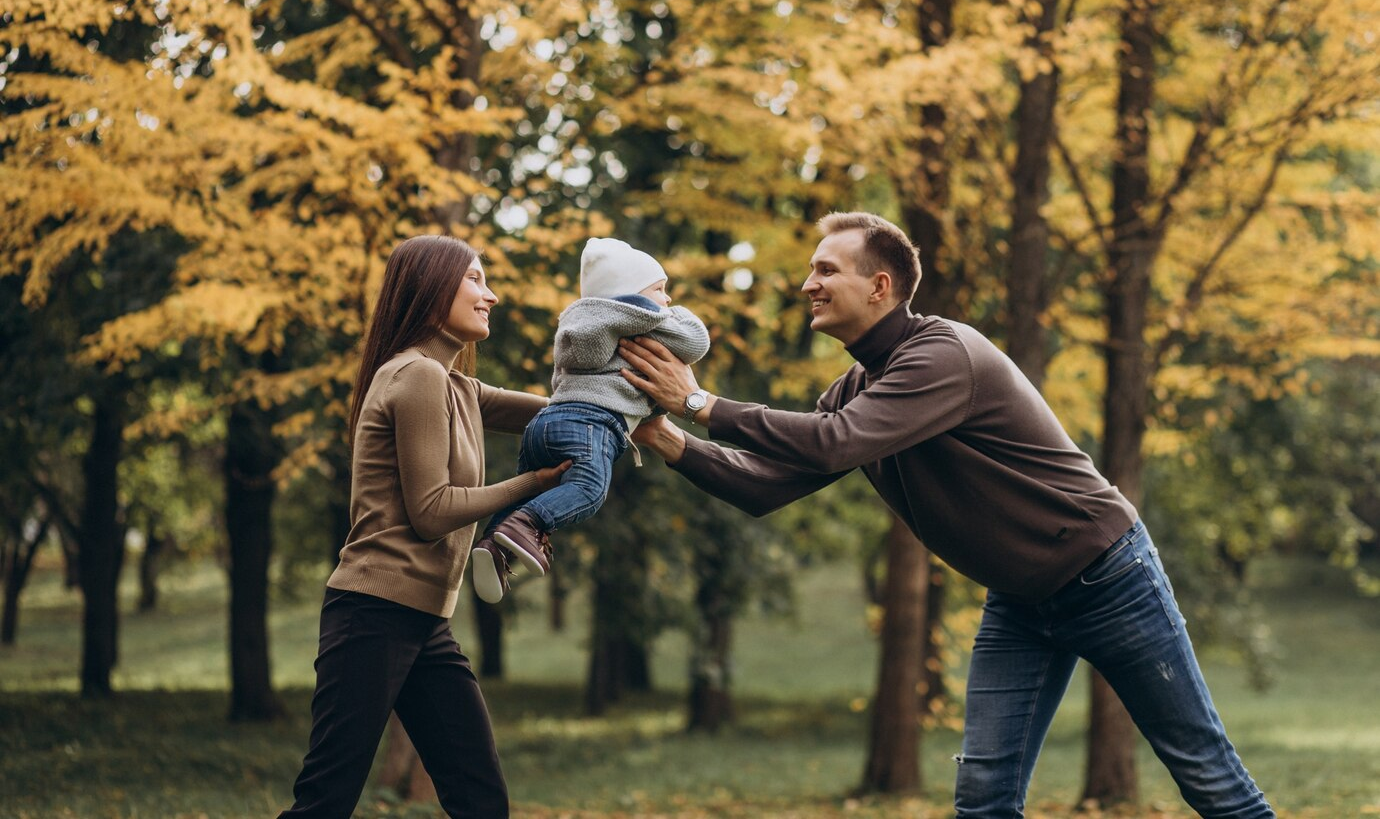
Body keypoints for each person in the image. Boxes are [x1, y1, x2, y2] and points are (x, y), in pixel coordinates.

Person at [619, 212, 1274, 819]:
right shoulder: (856, 389)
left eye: (826, 271)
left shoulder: (943, 354)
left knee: (1207, 776)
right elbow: (767, 485)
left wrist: (699, 402)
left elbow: (833, 442)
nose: (806, 284)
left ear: (879, 286)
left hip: (1107, 577)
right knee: (984, 797)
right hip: (1020, 602)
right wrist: (670, 441)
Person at [279, 235, 571, 819]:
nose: (491, 295)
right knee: (324, 803)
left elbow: (549, 410)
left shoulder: (456, 384)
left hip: (423, 623)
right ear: (433, 287)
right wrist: (535, 484)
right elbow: (432, 511)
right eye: (476, 280)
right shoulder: (416, 375)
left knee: (480, 799)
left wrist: (617, 414)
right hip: (374, 612)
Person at [470, 237, 709, 603]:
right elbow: (696, 343)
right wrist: (672, 314)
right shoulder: (640, 319)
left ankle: (493, 543)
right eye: (661, 290)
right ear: (634, 296)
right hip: (592, 426)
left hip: (545, 422)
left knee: (529, 487)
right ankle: (528, 525)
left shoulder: (576, 324)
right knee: (588, 490)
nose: (668, 300)